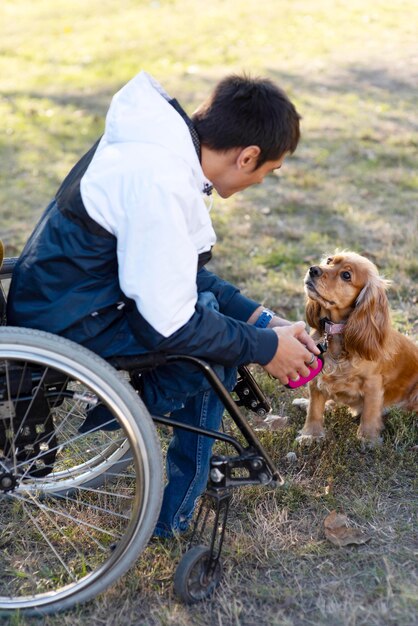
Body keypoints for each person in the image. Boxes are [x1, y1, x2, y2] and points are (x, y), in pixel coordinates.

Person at [7, 71, 319, 538]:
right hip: (69, 322)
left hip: (70, 297)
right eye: (267, 171)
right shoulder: (160, 182)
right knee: (212, 347)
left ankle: (152, 445)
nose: (261, 180)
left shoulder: (158, 146)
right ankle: (129, 426)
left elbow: (179, 275)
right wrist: (264, 347)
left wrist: (265, 322)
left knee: (216, 317)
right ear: (247, 156)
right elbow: (173, 324)